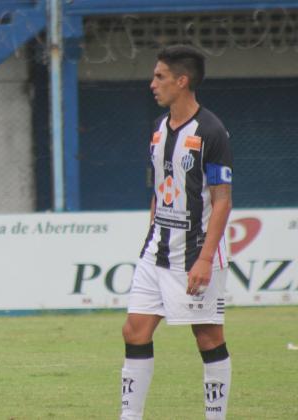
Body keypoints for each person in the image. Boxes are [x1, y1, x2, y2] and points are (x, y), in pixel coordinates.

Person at [120, 45, 233, 420]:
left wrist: (203, 259)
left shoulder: (212, 132)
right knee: (134, 330)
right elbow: (158, 188)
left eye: (160, 77)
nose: (152, 84)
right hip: (157, 250)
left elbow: (221, 201)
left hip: (196, 254)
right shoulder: (157, 128)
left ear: (181, 81)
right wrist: (152, 232)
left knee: (207, 337)